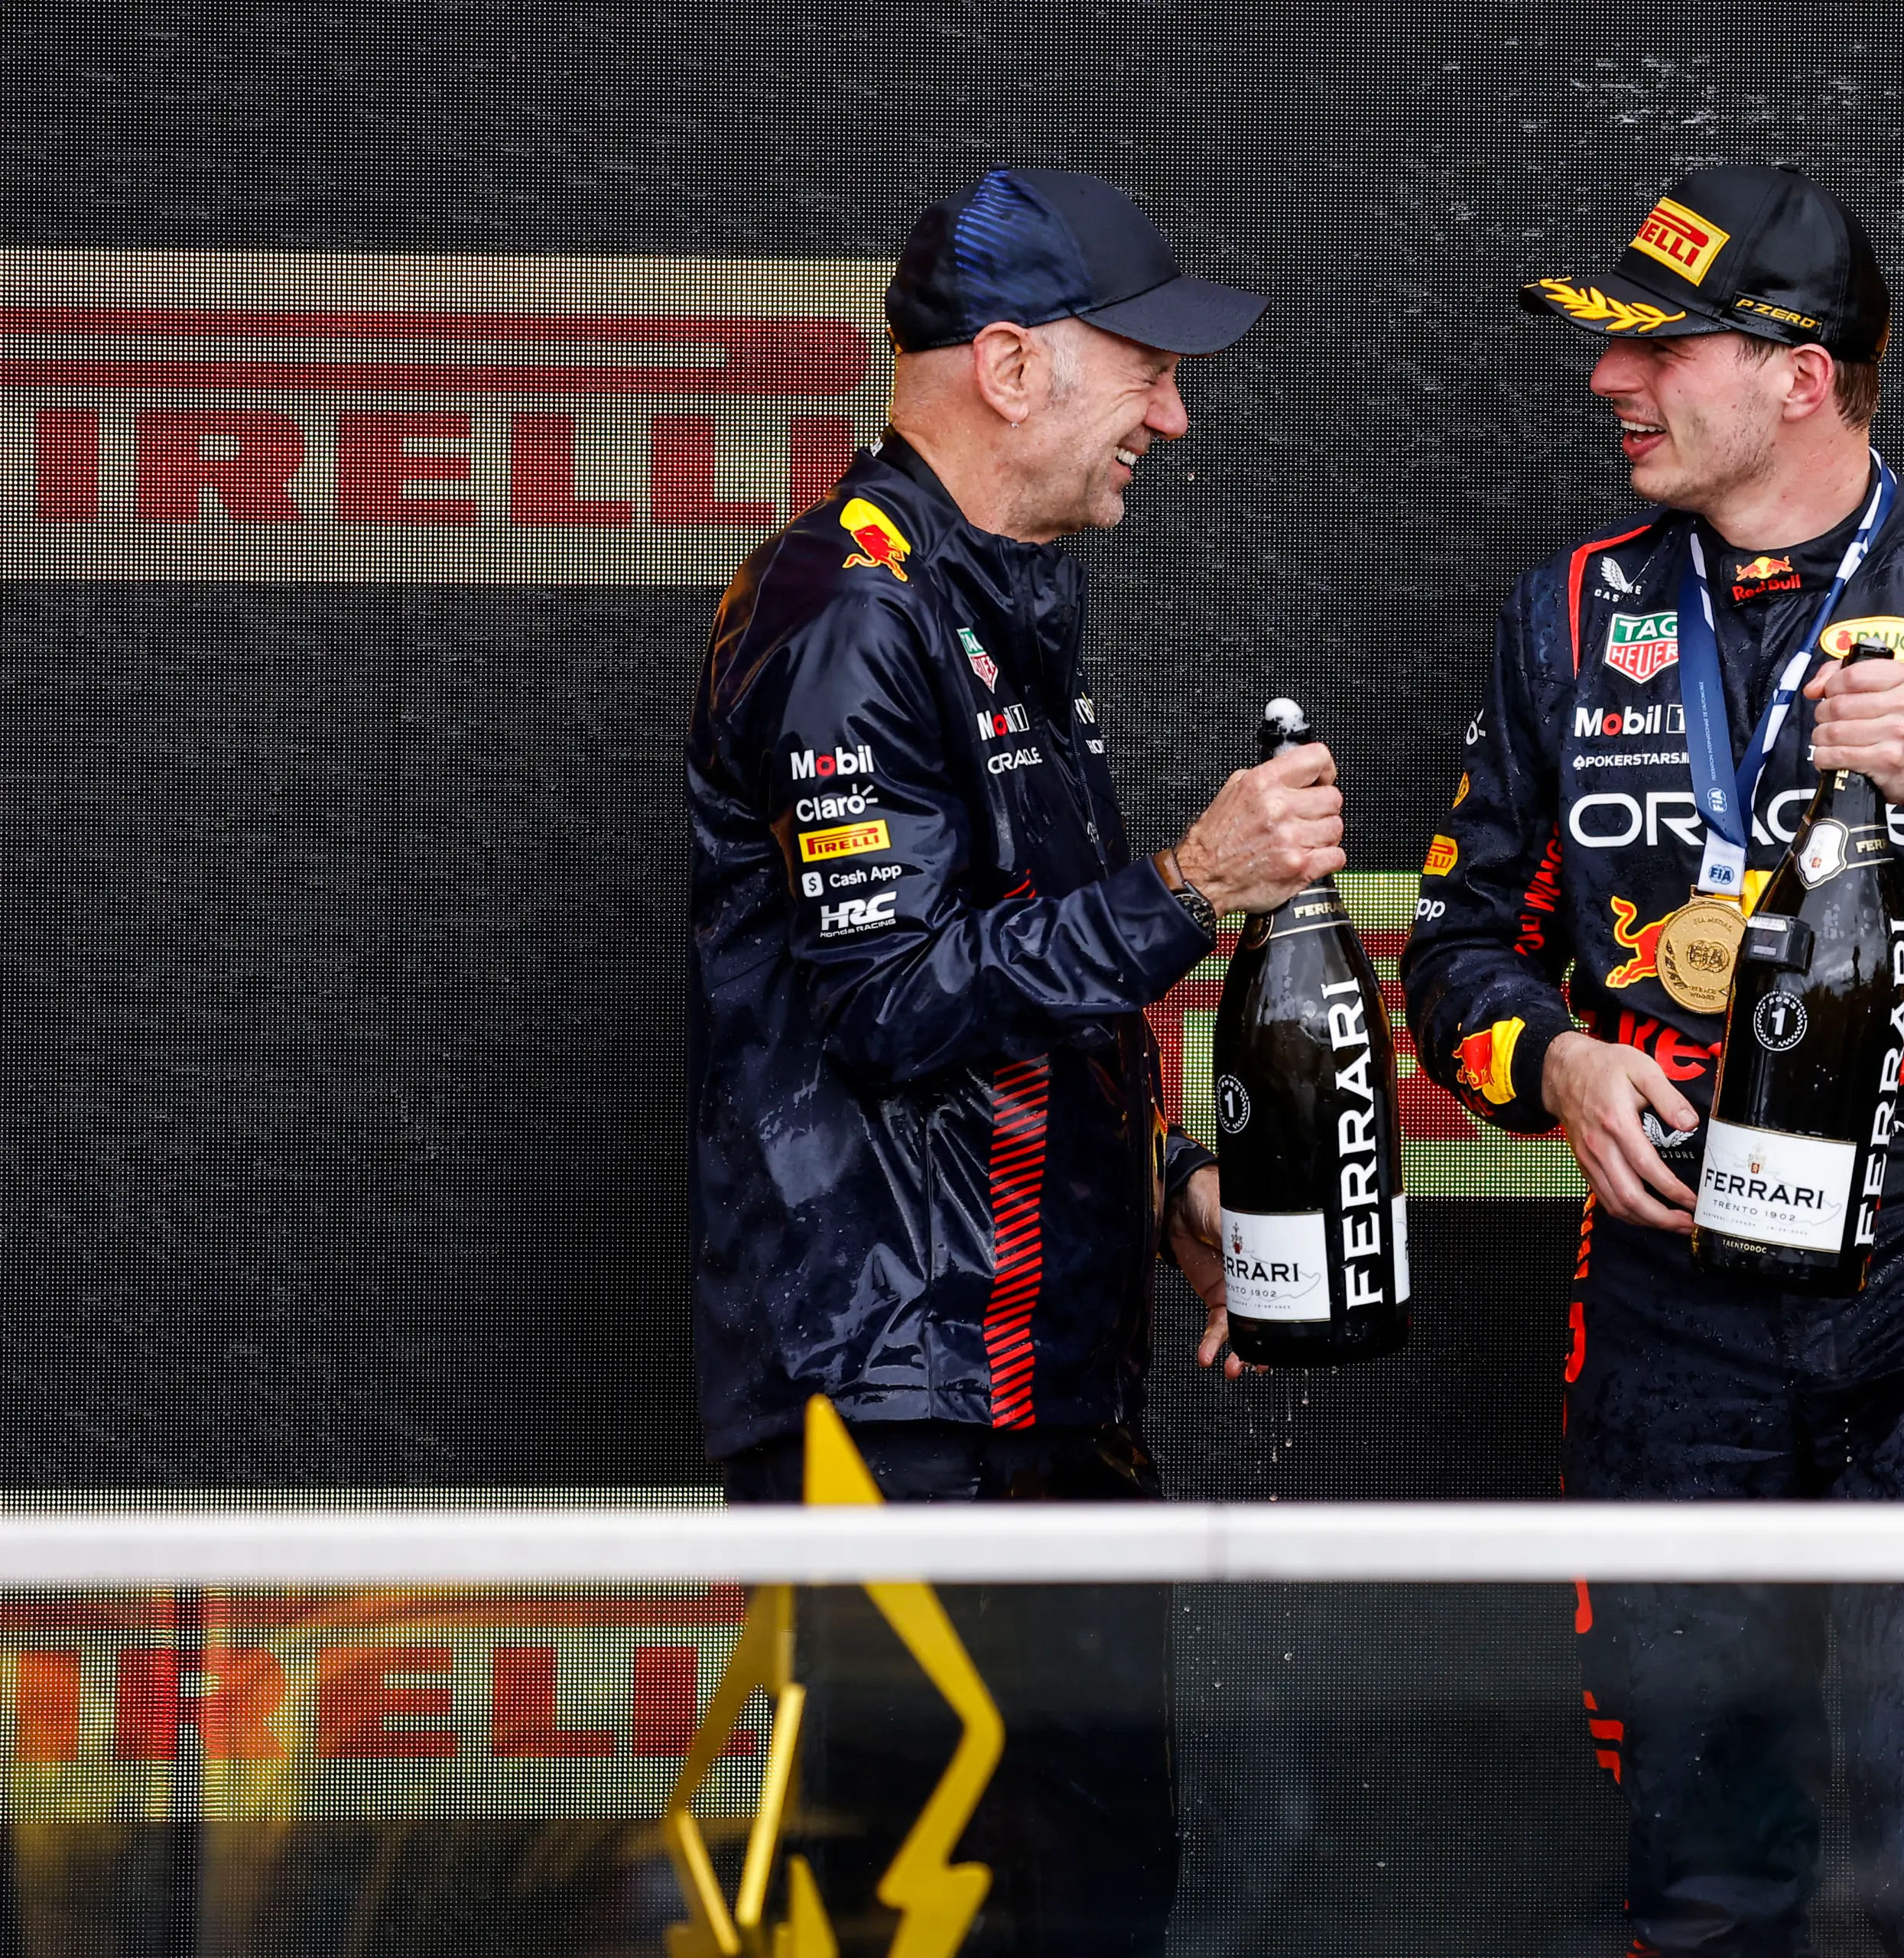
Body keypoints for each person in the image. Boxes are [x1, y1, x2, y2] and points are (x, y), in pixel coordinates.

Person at [1403, 165, 1904, 1955]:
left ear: (1797, 374)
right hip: (1669, 1270)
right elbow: (1456, 947)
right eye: (1612, 345)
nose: (1609, 379)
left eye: (1657, 346)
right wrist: (1555, 1063)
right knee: (1701, 1863)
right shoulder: (1568, 615)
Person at [686, 169, 1337, 1952]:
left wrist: (1168, 1182)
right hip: (899, 1413)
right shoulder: (845, 610)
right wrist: (1191, 883)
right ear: (1010, 362)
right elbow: (889, 1005)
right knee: (908, 1920)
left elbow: (1016, 1004)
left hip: (1033, 1395)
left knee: (1096, 1904)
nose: (1174, 417)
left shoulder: (998, 606)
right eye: (1149, 368)